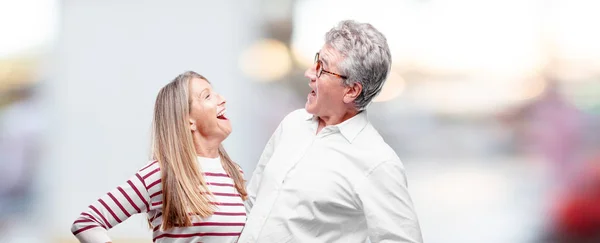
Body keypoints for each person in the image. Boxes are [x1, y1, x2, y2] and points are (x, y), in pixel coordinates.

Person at [239, 20, 423, 243]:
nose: (309, 73)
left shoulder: (378, 162)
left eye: (322, 68)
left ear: (352, 90)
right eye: (316, 61)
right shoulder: (292, 124)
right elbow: (252, 203)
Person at [70, 71, 247, 243]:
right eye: (207, 96)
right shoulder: (161, 174)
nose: (222, 99)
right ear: (188, 120)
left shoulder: (234, 173)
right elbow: (87, 222)